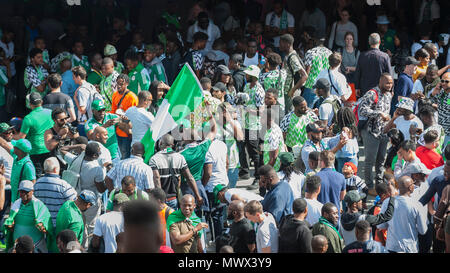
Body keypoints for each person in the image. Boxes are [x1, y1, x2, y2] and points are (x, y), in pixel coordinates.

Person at [358, 73, 394, 190]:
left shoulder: (389, 94)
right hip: (371, 132)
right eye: (387, 83)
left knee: (381, 160)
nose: (389, 85)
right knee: (370, 160)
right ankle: (369, 186)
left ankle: (379, 184)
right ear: (380, 82)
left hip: (383, 132)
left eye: (391, 83)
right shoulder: (372, 94)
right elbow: (362, 110)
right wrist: (378, 113)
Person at [150, 134, 203, 210]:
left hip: (160, 200)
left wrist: (160, 199)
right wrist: (198, 196)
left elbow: (156, 178)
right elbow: (190, 178)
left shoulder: (154, 159)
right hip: (173, 199)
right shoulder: (180, 157)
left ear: (160, 143)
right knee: (173, 221)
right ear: (173, 144)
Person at [377, 176, 428, 253]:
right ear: (410, 188)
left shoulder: (387, 202)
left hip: (392, 247)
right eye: (413, 184)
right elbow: (423, 231)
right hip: (410, 248)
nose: (414, 185)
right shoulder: (417, 205)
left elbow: (380, 225)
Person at [2, 180, 53, 253]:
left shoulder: (40, 205)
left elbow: (47, 225)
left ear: (32, 191)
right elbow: (10, 222)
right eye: (21, 191)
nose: (23, 194)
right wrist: (9, 225)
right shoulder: (16, 204)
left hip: (36, 247)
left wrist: (44, 227)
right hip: (17, 247)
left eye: (26, 191)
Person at [33, 157, 77, 228]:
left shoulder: (37, 184)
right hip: (58, 224)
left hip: (42, 224)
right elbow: (74, 201)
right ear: (56, 169)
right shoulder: (63, 185)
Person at [239, 65, 264, 189]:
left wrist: (247, 109)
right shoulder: (246, 86)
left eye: (248, 74)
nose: (246, 75)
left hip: (254, 126)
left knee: (254, 152)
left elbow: (261, 111)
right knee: (247, 149)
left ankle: (258, 178)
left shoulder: (259, 91)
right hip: (245, 124)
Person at [19, 92, 54, 177]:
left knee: (36, 175)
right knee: (51, 174)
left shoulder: (28, 118)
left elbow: (21, 138)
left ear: (30, 104)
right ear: (41, 102)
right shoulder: (50, 112)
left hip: (35, 151)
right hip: (50, 148)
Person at [0, 137, 36, 204]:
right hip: (14, 199)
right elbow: (4, 144)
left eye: (15, 146)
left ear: (20, 150)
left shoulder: (28, 166)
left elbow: (32, 184)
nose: (13, 147)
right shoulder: (17, 156)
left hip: (22, 202)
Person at [110, 74, 138, 159]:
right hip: (117, 131)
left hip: (127, 133)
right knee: (119, 155)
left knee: (126, 156)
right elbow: (113, 111)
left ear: (127, 84)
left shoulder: (132, 98)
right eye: (117, 83)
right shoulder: (115, 95)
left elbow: (134, 117)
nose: (118, 86)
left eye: (121, 84)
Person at [298, 34, 329, 108]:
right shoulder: (329, 53)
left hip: (311, 85)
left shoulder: (311, 52)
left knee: (306, 110)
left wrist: (301, 84)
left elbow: (307, 70)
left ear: (315, 41)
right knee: (321, 112)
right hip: (324, 85)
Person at [316, 151, 346, 215]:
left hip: (321, 214)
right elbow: (342, 197)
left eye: (318, 160)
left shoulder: (315, 177)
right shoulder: (341, 177)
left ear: (322, 162)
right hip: (335, 215)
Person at [430, 72, 450, 148]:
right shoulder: (441, 92)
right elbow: (429, 101)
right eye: (442, 81)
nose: (444, 83)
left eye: (447, 81)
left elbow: (447, 106)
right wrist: (435, 90)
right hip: (441, 131)